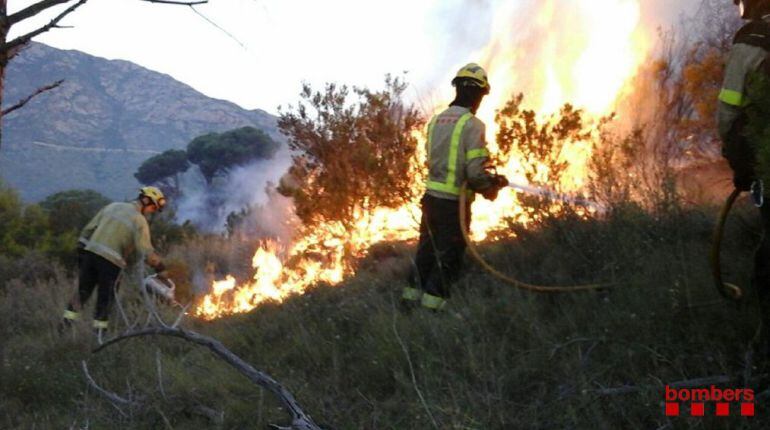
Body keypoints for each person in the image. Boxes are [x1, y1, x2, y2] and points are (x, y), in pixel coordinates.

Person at [402, 63, 509, 311]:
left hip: (430, 201)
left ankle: (408, 304)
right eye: (481, 95)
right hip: (453, 206)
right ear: (476, 92)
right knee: (448, 259)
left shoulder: (436, 121)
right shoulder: (473, 125)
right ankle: (432, 311)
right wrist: (490, 186)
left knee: (425, 254)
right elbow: (474, 172)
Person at [718, 0, 770, 350]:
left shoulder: (754, 39)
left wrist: (739, 160)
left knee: (767, 265)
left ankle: (764, 350)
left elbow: (729, 111)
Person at [61, 186, 168, 335]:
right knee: (105, 301)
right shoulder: (139, 220)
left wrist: (82, 254)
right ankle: (99, 336)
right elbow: (145, 250)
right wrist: (160, 268)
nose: (152, 211)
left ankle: (64, 328)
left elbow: (87, 231)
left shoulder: (112, 206)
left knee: (81, 293)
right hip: (111, 263)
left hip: (90, 256)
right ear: (145, 200)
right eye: (153, 208)